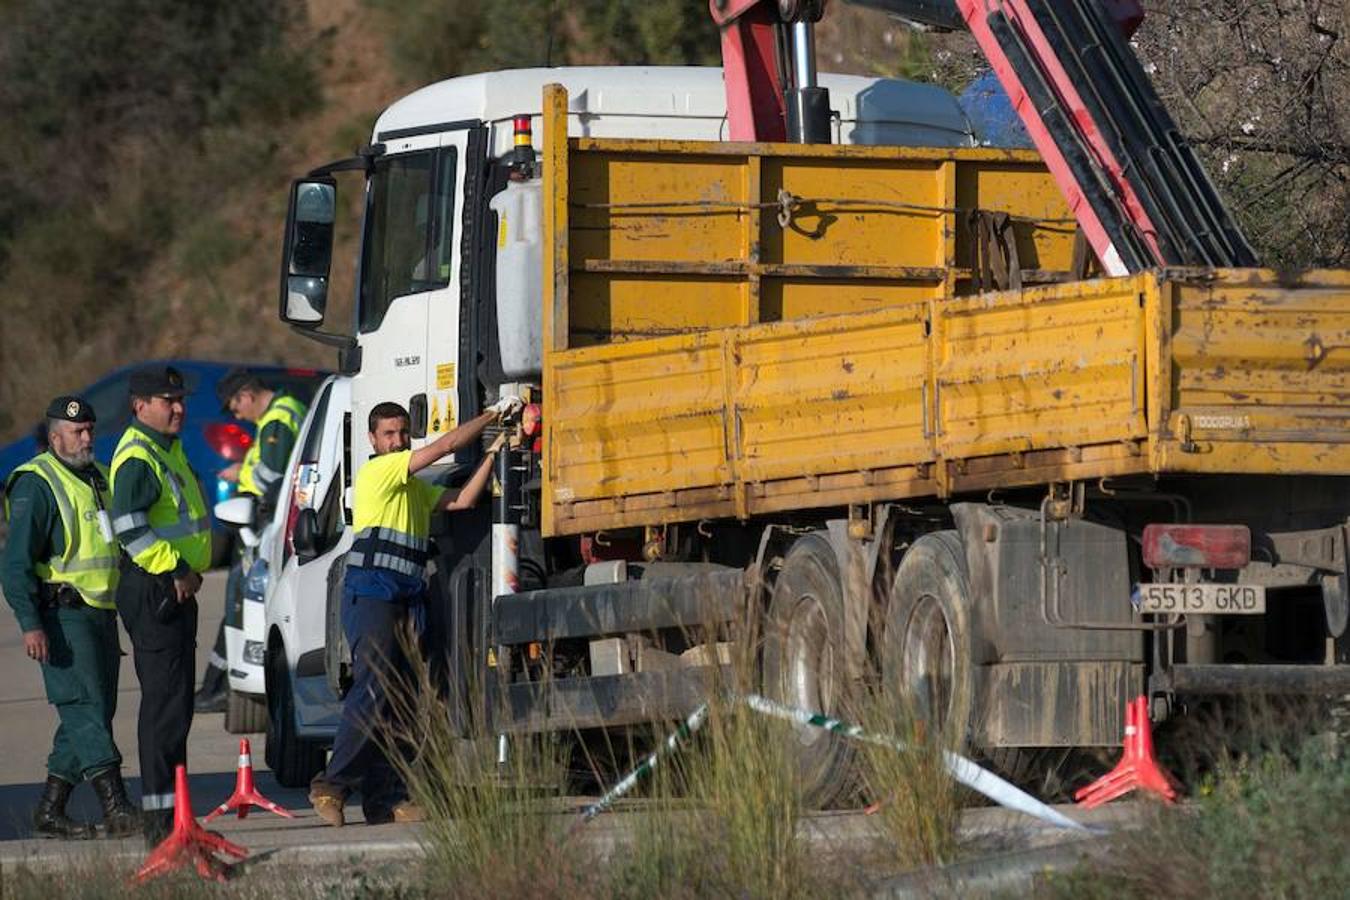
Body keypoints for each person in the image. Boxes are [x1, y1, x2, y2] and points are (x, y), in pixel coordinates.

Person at [308, 394, 520, 827]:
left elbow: (463, 501)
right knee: (375, 687)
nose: (398, 441)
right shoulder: (378, 471)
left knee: (404, 700)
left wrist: (495, 453)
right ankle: (331, 784)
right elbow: (443, 448)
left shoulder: (414, 489)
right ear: (372, 439)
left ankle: (386, 799)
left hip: (404, 598)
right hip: (372, 596)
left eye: (403, 433)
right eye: (389, 434)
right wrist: (493, 415)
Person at [2, 396, 140, 839]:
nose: (87, 438)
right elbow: (15, 563)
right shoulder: (36, 483)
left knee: (90, 715)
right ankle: (116, 806)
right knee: (85, 710)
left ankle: (49, 809)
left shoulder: (97, 477)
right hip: (62, 615)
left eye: (90, 430)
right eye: (78, 432)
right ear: (55, 436)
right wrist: (30, 623)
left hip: (99, 613)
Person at [110, 366, 212, 846]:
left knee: (175, 708)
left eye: (180, 397)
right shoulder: (138, 455)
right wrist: (175, 569)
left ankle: (177, 817)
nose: (178, 407)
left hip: (172, 590)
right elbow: (129, 529)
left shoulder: (165, 448)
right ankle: (161, 826)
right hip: (156, 589)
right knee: (164, 710)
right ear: (138, 405)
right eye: (166, 399)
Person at [192, 368, 308, 713]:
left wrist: (241, 473)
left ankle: (222, 687)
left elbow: (271, 476)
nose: (238, 416)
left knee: (241, 604)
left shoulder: (277, 420)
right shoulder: (285, 411)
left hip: (263, 527)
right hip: (270, 526)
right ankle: (215, 685)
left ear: (246, 395)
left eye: (235, 407)